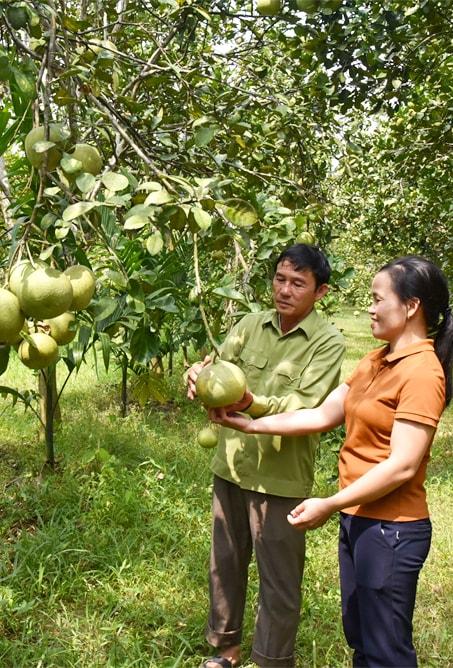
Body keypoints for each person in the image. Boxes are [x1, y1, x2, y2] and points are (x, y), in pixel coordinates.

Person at [211, 255, 453, 667]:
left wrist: (330, 503)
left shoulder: (422, 373)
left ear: (411, 306)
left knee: (386, 648)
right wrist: (249, 424)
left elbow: (402, 465)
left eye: (379, 300)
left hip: (391, 529)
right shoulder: (376, 361)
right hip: (360, 519)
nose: (371, 308)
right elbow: (321, 415)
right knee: (362, 636)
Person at [184, 245, 348, 668]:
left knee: (279, 578)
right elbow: (220, 368)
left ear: (320, 291)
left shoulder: (327, 343)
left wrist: (250, 402)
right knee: (225, 562)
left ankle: (272, 661)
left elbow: (307, 405)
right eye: (279, 279)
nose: (284, 290)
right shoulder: (248, 324)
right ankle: (226, 650)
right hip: (232, 465)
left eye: (298, 283)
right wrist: (200, 377)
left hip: (280, 476)